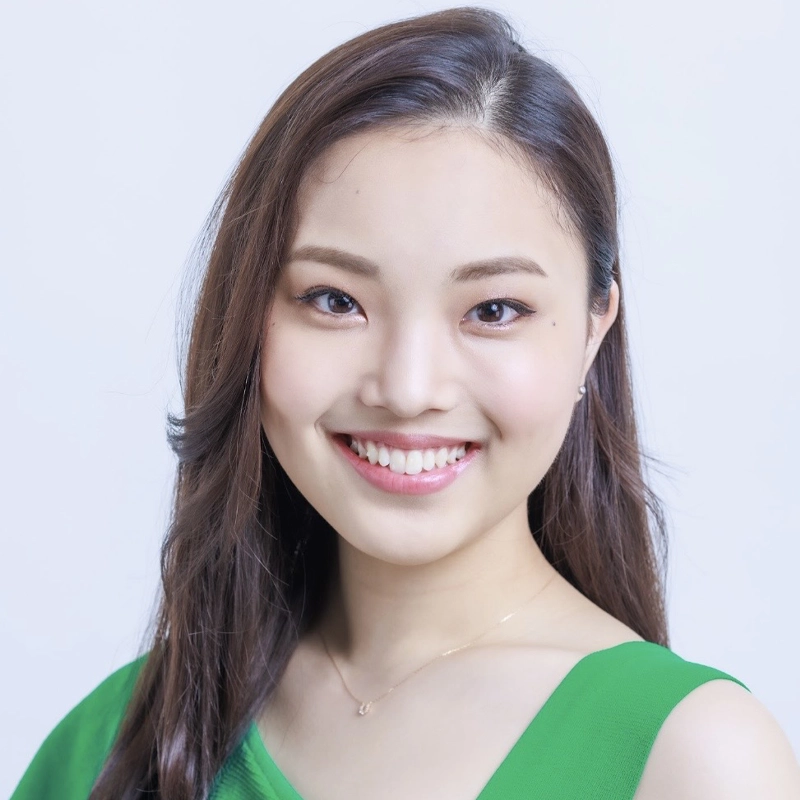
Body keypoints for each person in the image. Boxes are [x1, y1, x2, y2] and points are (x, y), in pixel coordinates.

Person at [11, 6, 800, 800]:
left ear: (594, 331)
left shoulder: (693, 760)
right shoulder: (119, 741)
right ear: (249, 313)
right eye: (334, 299)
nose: (408, 388)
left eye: (494, 310)